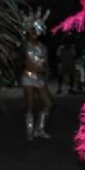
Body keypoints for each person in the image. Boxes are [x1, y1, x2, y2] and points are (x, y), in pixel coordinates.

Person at [21, 9, 53, 140]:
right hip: (28, 76)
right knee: (30, 103)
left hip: (40, 78)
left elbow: (46, 63)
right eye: (32, 30)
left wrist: (46, 71)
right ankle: (29, 130)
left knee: (48, 103)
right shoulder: (24, 45)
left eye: (36, 30)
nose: (34, 33)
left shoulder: (43, 47)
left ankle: (39, 129)